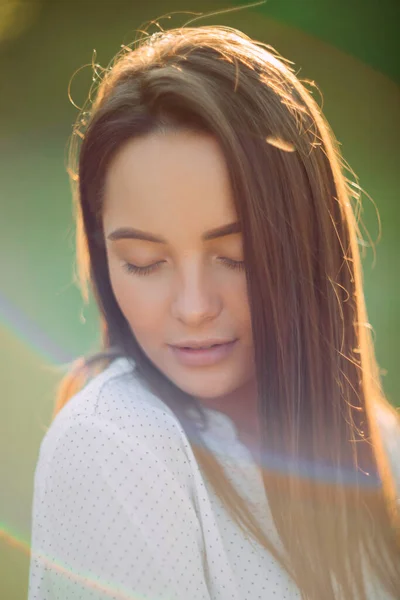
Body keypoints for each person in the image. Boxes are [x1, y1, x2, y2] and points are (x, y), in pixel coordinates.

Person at [28, 25, 400, 600]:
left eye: (237, 257)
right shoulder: (115, 443)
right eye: (145, 262)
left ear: (309, 249)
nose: (195, 307)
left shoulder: (385, 452)